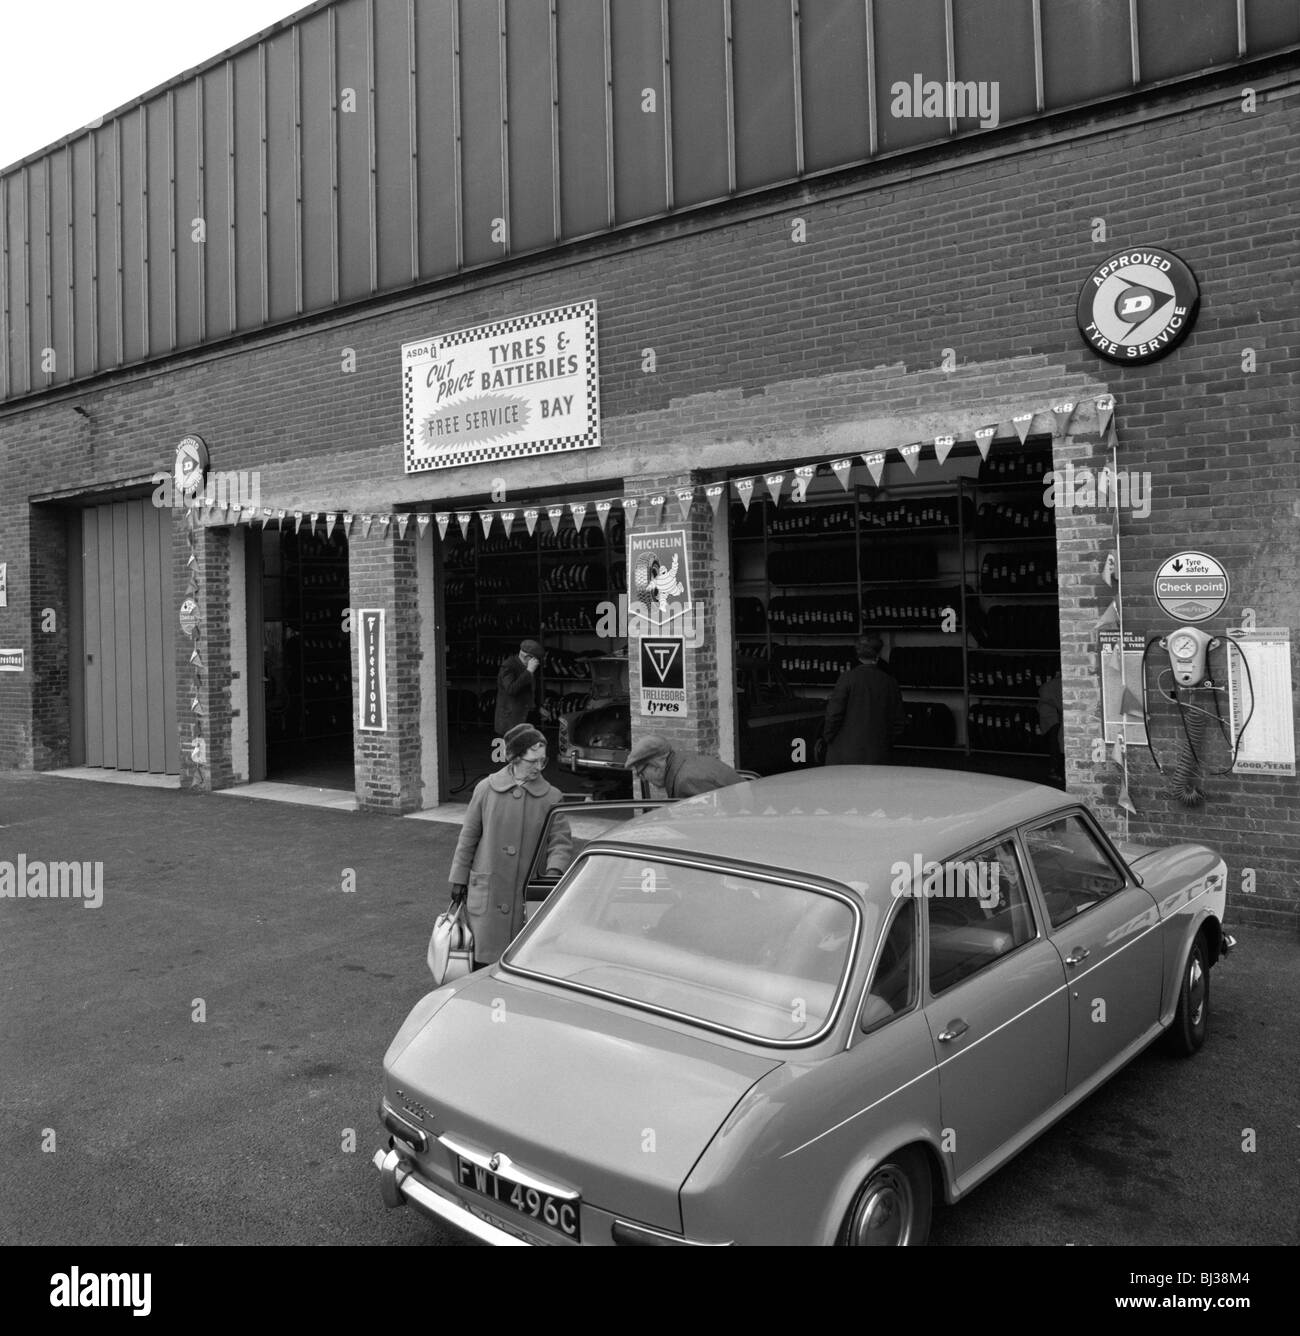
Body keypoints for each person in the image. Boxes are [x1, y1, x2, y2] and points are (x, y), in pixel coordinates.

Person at [448, 724, 572, 968]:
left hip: (529, 894)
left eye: (543, 761)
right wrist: (459, 879)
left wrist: (553, 875)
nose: (538, 767)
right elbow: (468, 837)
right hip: (487, 894)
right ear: (515, 758)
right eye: (532, 760)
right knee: (482, 967)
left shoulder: (552, 797)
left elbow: (560, 843)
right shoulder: (486, 789)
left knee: (523, 963)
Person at [822, 634, 904, 765]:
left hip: (845, 755)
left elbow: (833, 715)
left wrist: (827, 737)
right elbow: (898, 722)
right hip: (879, 754)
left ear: (857, 653)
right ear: (878, 654)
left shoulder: (846, 678)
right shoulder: (890, 682)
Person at [626, 733, 744, 799]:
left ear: (656, 765)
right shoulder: (687, 762)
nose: (643, 778)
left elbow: (704, 827)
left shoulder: (686, 782)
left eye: (641, 772)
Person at [494, 638, 544, 736]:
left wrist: (538, 707)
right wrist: (528, 672)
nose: (538, 663)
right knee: (511, 750)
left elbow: (530, 690)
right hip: (511, 721)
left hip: (525, 717)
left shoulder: (529, 667)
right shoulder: (508, 666)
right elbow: (511, 689)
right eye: (536, 659)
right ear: (527, 657)